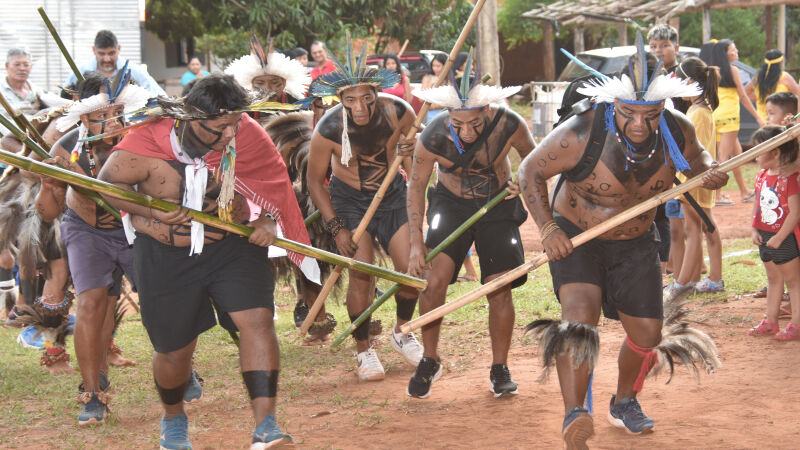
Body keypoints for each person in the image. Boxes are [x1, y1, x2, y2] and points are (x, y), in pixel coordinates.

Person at [518, 37, 728, 449]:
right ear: (614, 105)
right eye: (628, 113)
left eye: (649, 115)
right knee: (579, 318)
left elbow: (699, 156)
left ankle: (624, 400)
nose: (638, 124)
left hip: (635, 242)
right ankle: (575, 414)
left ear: (661, 110)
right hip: (578, 238)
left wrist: (709, 169)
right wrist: (548, 230)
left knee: (648, 334)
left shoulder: (675, 129)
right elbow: (528, 171)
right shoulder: (580, 133)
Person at [98, 74, 298, 448]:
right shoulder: (143, 143)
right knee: (175, 349)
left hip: (232, 244)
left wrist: (268, 219)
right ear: (192, 118)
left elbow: (272, 182)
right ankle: (173, 419)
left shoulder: (246, 132)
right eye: (221, 127)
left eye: (236, 123)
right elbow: (108, 187)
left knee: (257, 320)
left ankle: (266, 426)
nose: (230, 134)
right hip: (167, 254)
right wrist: (144, 214)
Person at [406, 63, 534, 398]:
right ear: (447, 114)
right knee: (432, 282)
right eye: (457, 123)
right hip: (449, 204)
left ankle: (499, 366)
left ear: (487, 110)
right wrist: (416, 245)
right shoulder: (433, 135)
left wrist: (522, 179)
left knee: (499, 286)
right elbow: (416, 187)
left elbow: (535, 159)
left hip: (497, 204)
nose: (466, 131)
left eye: (475, 123)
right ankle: (430, 358)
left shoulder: (509, 124)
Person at [34, 70, 149, 425]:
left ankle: (179, 366)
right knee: (92, 304)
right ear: (84, 116)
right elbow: (48, 212)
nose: (114, 121)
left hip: (135, 229)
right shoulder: (65, 149)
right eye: (103, 116)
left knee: (159, 298)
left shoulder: (139, 140)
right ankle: (92, 393)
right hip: (84, 230)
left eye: (117, 112)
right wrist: (49, 183)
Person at [307, 38, 423, 381]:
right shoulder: (327, 128)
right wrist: (337, 226)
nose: (359, 106)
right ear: (339, 99)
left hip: (392, 196)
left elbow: (418, 164)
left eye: (366, 97)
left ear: (376, 92)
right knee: (362, 274)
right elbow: (315, 181)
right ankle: (363, 351)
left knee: (412, 271)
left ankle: (403, 332)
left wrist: (412, 147)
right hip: (349, 201)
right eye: (350, 99)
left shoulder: (400, 112)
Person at [666, 57, 725, 299]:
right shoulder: (699, 110)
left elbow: (695, 152)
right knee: (704, 228)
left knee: (697, 230)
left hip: (695, 180)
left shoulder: (697, 113)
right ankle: (703, 279)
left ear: (689, 82)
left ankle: (683, 284)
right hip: (695, 179)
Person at [748, 125, 800, 341]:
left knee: (794, 282)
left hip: (784, 237)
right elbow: (757, 204)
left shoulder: (790, 177)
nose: (754, 155)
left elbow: (795, 212)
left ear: (776, 151)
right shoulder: (761, 175)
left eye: (758, 150)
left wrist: (780, 237)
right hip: (765, 235)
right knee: (773, 278)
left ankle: (796, 324)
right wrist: (753, 227)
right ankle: (770, 320)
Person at [706, 39, 761, 204]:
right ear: (725, 53)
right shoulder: (732, 70)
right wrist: (758, 117)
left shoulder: (711, 71)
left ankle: (744, 191)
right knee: (723, 158)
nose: (736, 51)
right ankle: (717, 195)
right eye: (733, 49)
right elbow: (743, 96)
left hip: (716, 116)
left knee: (736, 155)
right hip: (730, 117)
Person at [65, 30, 166, 96]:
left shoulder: (133, 70)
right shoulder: (81, 71)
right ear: (93, 50)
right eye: (102, 54)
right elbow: (64, 96)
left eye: (111, 53)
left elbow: (159, 95)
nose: (107, 59)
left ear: (119, 49)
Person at [225, 41, 310, 104]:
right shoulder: (243, 109)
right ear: (252, 85)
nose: (268, 88)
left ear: (284, 83)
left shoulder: (297, 105)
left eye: (274, 82)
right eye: (260, 83)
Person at [745, 49, 800, 124]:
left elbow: (746, 92)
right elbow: (798, 95)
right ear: (781, 62)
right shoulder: (785, 77)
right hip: (782, 122)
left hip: (763, 122)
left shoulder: (759, 78)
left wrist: (759, 98)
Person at [1, 48, 44, 136]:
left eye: (26, 65)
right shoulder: (1, 91)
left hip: (38, 134)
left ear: (31, 66)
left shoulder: (36, 90)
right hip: (10, 136)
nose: (22, 68)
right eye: (17, 64)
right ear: (7, 66)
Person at [421, 53, 447, 124]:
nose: (435, 68)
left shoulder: (449, 80)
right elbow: (422, 98)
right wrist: (431, 84)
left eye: (438, 66)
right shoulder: (428, 78)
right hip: (429, 115)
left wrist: (434, 105)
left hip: (445, 114)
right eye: (433, 66)